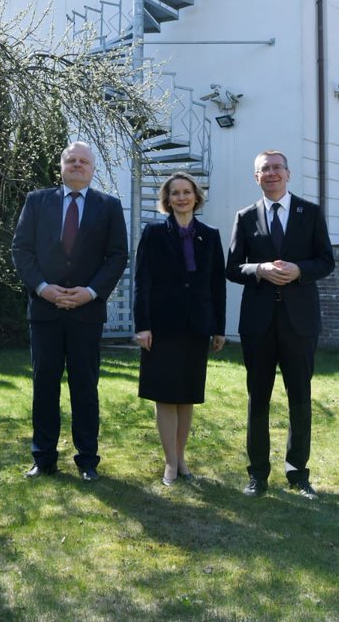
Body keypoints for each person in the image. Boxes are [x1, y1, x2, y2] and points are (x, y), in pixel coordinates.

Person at [12, 142, 128, 481]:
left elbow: (117, 256)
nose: (77, 165)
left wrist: (90, 292)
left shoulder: (109, 206)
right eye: (71, 160)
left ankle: (88, 460)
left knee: (85, 386)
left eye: (84, 161)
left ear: (93, 169)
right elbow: (22, 249)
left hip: (86, 313)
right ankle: (43, 458)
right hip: (44, 311)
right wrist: (42, 288)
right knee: (44, 385)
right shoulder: (37, 201)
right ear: (61, 166)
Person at [227, 150, 335, 499]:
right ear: (256, 177)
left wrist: (300, 270)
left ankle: (298, 473)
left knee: (300, 399)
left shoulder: (310, 212)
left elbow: (326, 261)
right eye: (264, 170)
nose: (271, 174)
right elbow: (232, 268)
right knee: (257, 399)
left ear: (288, 174)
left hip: (299, 322)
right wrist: (259, 269)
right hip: (258, 324)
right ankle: (257, 473)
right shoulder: (244, 217)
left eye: (277, 168)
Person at [134, 173, 226, 486]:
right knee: (165, 395)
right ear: (167, 199)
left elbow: (217, 284)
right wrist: (142, 325)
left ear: (196, 197)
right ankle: (170, 463)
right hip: (162, 326)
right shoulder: (154, 232)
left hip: (197, 325)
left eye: (187, 192)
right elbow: (142, 280)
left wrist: (219, 328)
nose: (182, 198)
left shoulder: (210, 235)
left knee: (187, 395)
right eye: (175, 193)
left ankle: (181, 456)